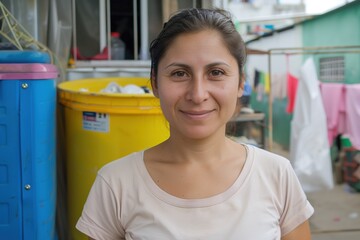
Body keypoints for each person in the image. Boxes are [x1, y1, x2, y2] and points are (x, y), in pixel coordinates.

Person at [76, 8, 314, 240]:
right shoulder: (116, 183)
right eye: (180, 73)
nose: (198, 94)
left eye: (216, 72)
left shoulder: (276, 175)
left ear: (241, 83)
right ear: (155, 84)